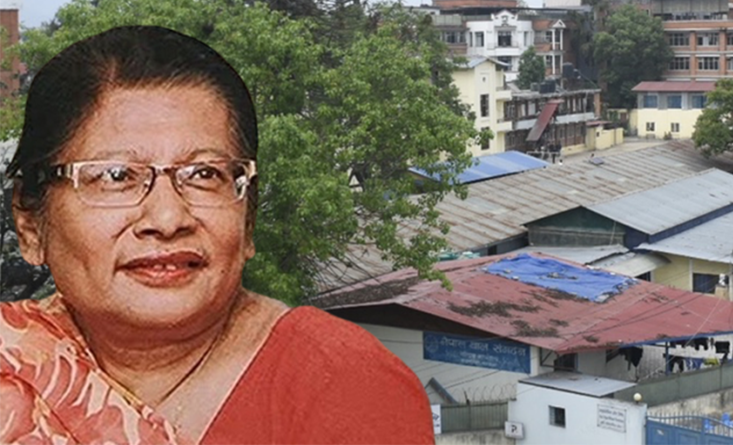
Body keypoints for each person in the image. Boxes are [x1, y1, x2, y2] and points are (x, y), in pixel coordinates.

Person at [0, 26, 434, 444]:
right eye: (116, 176)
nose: (168, 218)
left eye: (204, 174)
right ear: (30, 222)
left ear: (248, 218)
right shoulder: (12, 366)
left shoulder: (342, 386)